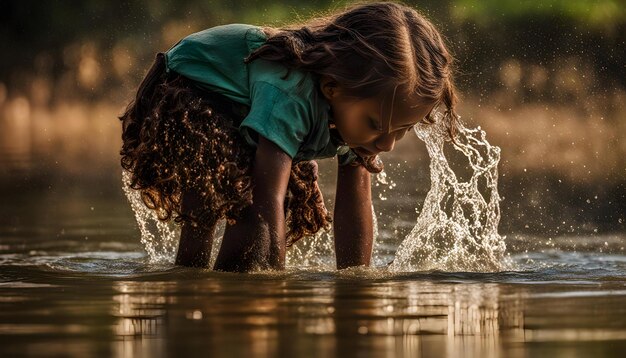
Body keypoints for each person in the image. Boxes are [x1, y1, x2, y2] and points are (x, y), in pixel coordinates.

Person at [119, 1, 458, 272]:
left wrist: (356, 285)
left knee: (261, 209)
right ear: (332, 87)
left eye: (402, 130)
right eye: (375, 124)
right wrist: (274, 284)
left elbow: (354, 206)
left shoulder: (361, 115)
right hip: (186, 92)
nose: (387, 143)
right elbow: (268, 198)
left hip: (240, 104)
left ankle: (223, 289)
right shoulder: (290, 90)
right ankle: (194, 284)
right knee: (232, 208)